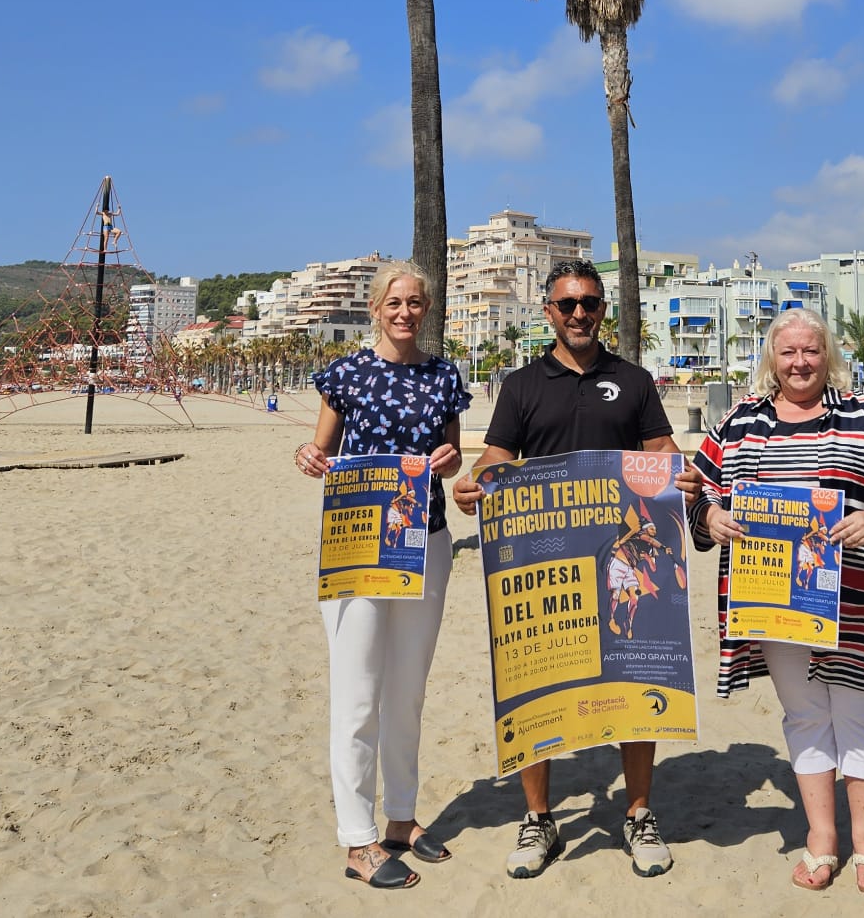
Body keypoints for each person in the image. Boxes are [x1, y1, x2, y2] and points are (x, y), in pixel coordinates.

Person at [451, 258, 701, 881]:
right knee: (533, 678)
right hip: (547, 560)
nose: (580, 314)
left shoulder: (635, 379)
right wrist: (475, 481)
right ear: (548, 313)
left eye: (590, 302)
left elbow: (660, 452)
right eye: (568, 305)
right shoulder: (521, 384)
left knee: (634, 668)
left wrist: (684, 472)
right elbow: (500, 455)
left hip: (624, 557)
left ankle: (638, 812)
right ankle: (539, 819)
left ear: (603, 309)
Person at [687, 308, 864, 893]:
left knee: (860, 714)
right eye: (788, 352)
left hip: (858, 599)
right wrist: (712, 518)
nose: (800, 363)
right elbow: (697, 491)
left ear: (829, 356)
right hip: (772, 601)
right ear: (772, 358)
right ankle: (822, 836)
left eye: (811, 351)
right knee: (803, 715)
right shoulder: (738, 423)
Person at [294, 261, 469, 890]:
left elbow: (448, 461)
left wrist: (450, 459)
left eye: (415, 303)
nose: (404, 312)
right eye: (394, 302)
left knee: (408, 692)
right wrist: (309, 457)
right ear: (375, 307)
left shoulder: (443, 374)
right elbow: (320, 451)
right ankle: (356, 839)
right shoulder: (344, 374)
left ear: (426, 309)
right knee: (358, 695)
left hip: (426, 543)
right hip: (357, 548)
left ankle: (400, 819)